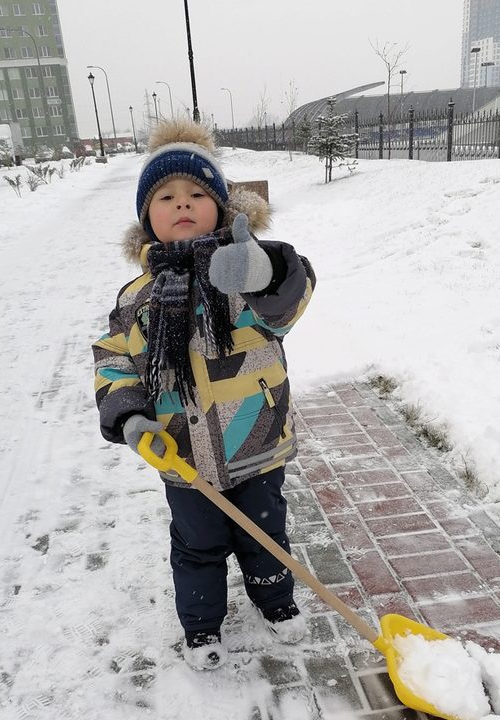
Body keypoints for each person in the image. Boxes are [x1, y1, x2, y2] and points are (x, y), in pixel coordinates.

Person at [92, 120, 316, 670]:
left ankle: (277, 602)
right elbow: (115, 359)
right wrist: (131, 418)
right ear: (148, 218)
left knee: (265, 533)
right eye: (166, 197)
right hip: (182, 453)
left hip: (256, 439)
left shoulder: (243, 268)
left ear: (220, 206)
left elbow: (290, 298)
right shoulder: (136, 297)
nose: (182, 204)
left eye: (197, 194)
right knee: (197, 545)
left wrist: (266, 273)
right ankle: (201, 627)